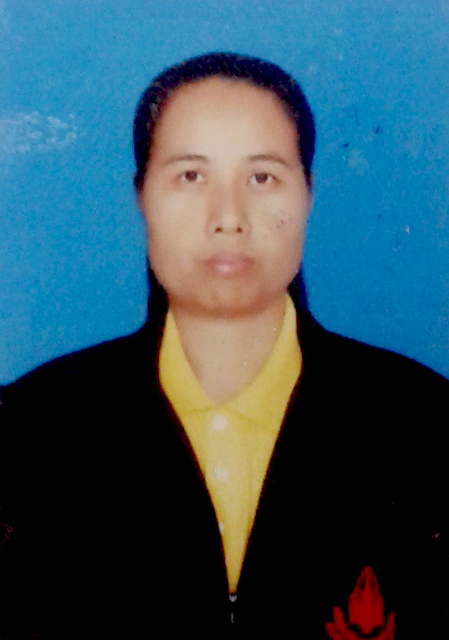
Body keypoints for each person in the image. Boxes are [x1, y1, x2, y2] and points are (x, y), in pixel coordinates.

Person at [0, 52, 448, 638]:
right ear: (140, 195)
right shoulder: (27, 432)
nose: (229, 217)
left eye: (262, 177)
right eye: (191, 176)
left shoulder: (428, 426)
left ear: (309, 195)